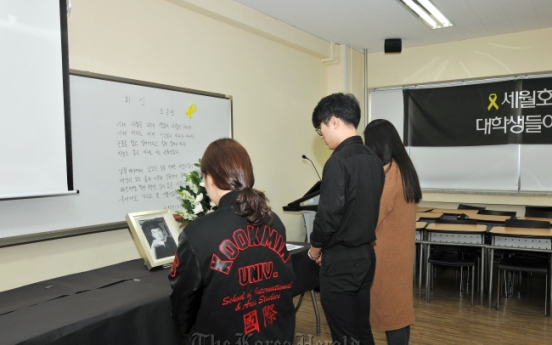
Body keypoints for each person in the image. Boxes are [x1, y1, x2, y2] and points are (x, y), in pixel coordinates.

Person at [169, 138, 295, 345]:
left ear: (209, 178)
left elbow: (182, 304)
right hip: (276, 335)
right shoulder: (274, 221)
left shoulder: (198, 233)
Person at [308, 93, 384, 345]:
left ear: (333, 121)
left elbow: (328, 216)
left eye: (321, 130)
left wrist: (314, 251)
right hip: (365, 257)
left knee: (344, 336)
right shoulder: (373, 158)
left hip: (340, 262)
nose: (322, 137)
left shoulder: (338, 161)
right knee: (362, 331)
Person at [364, 119, 422, 345]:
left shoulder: (391, 175)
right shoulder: (403, 169)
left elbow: (371, 218)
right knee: (397, 315)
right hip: (399, 255)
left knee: (393, 317)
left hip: (387, 258)